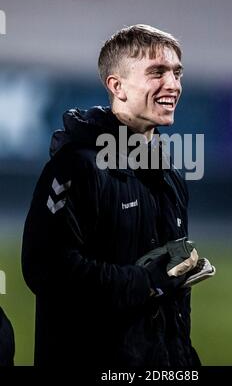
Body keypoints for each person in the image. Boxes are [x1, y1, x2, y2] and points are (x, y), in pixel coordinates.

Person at [22, 24, 201, 368]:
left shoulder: (170, 177)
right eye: (157, 72)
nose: (173, 85)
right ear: (116, 86)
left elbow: (168, 302)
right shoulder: (75, 166)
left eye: (177, 73)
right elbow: (47, 271)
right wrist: (147, 281)